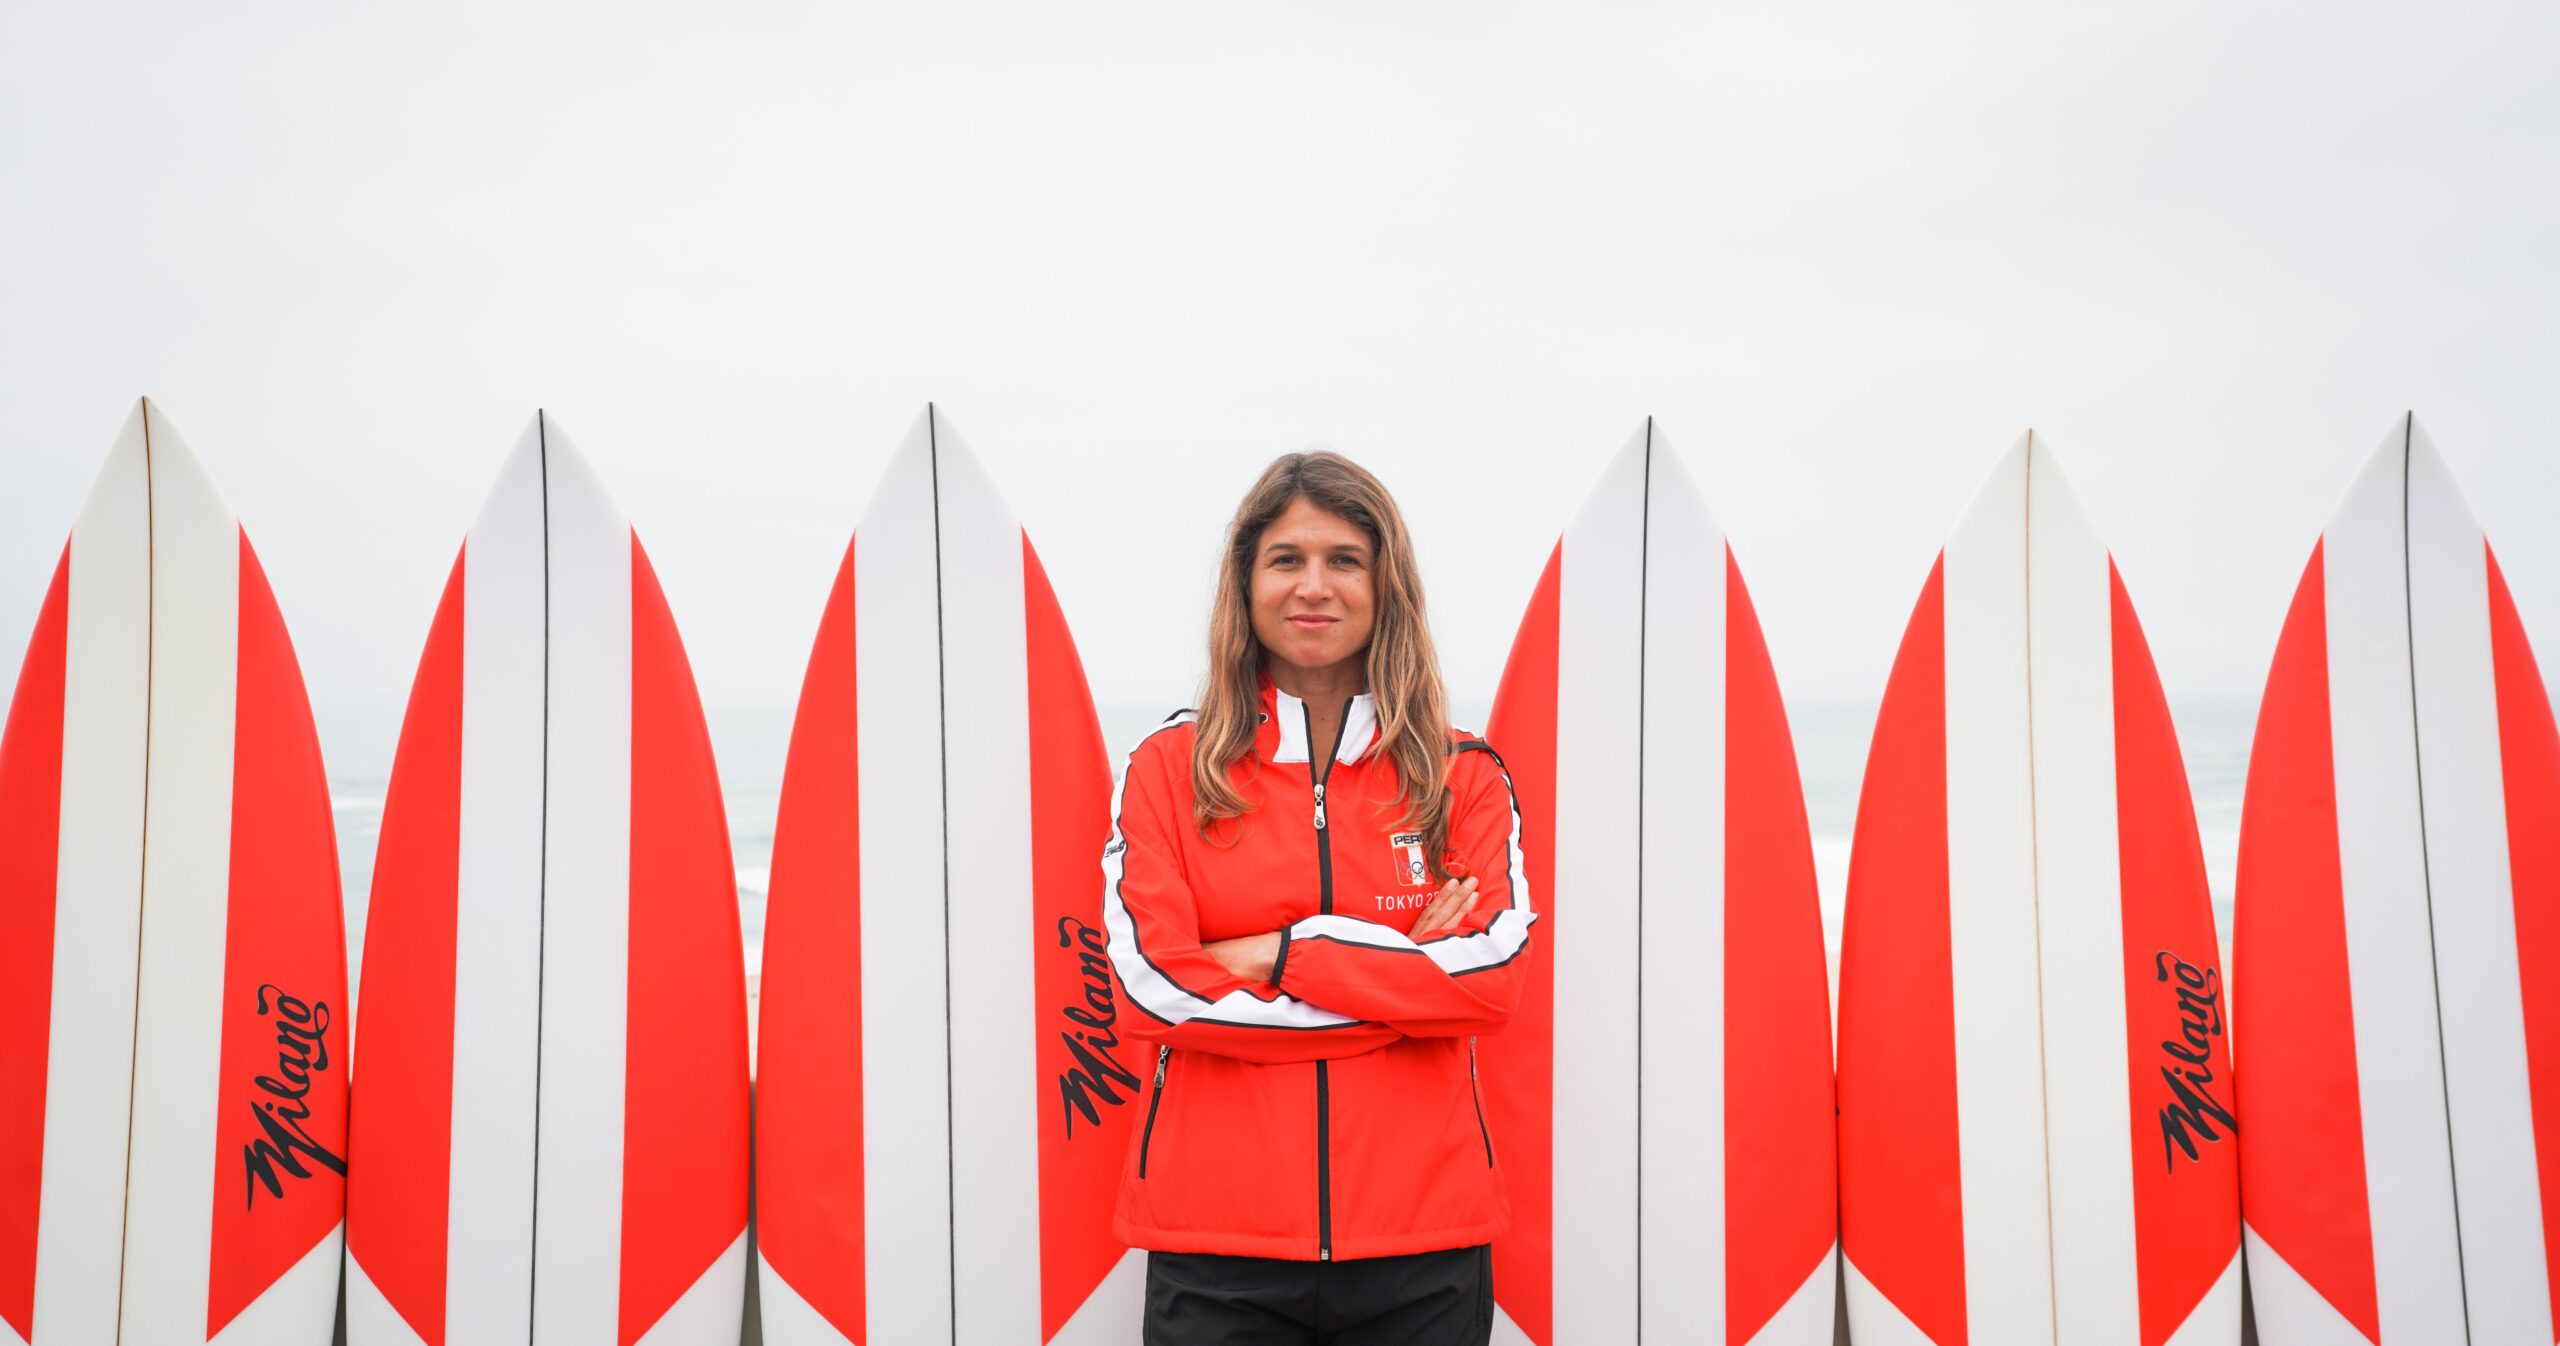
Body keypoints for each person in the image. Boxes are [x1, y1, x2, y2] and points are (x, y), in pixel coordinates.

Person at [1102, 451, 1537, 1345]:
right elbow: (1154, 993)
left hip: (1425, 1247)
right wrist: (1405, 995)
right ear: (1246, 583)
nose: (1314, 586)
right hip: (1216, 1247)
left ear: (1386, 585)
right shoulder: (1167, 770)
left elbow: (1492, 983)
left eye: (1345, 559)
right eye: (1286, 559)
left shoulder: (1462, 774)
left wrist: (1277, 954)